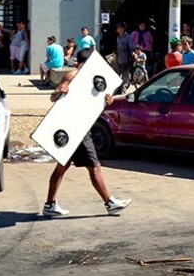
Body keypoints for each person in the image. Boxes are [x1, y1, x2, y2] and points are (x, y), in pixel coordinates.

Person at [42, 47, 132, 217]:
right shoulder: (72, 76)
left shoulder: (97, 80)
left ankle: (49, 204)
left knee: (62, 166)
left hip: (83, 126)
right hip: (73, 129)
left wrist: (108, 101)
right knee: (94, 166)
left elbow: (96, 104)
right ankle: (109, 202)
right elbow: (53, 97)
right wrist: (58, 92)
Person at [115, 22, 134, 93]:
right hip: (118, 59)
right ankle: (117, 89)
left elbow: (131, 48)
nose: (117, 29)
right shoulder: (118, 37)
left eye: (119, 27)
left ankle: (123, 90)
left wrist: (132, 55)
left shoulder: (128, 37)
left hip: (126, 59)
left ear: (122, 28)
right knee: (117, 74)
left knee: (125, 76)